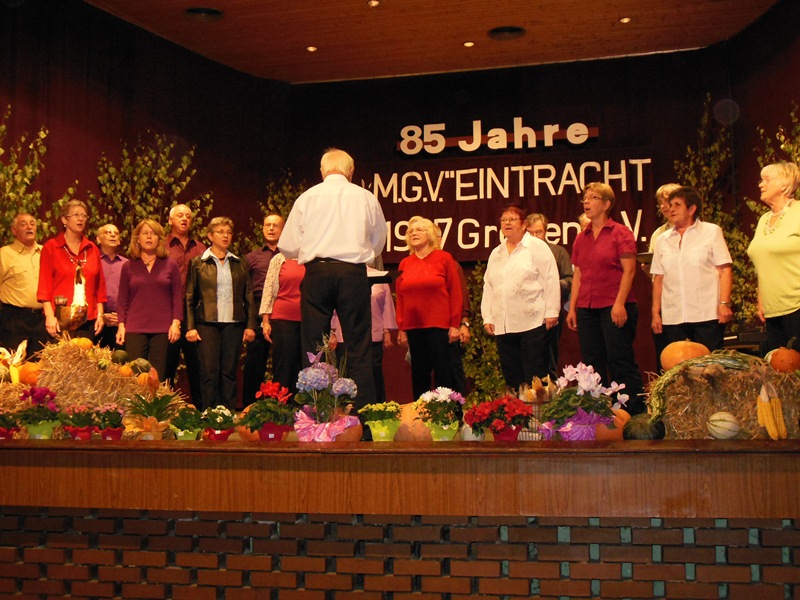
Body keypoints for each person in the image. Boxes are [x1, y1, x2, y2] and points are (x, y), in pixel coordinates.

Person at [279, 148, 387, 410]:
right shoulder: (365, 197)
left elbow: (288, 246)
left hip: (317, 273)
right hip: (353, 273)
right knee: (359, 347)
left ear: (322, 171)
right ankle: (364, 418)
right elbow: (378, 242)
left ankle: (315, 414)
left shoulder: (307, 197)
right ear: (351, 171)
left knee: (313, 349)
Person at [566, 183, 644, 414]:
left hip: (614, 305)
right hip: (587, 308)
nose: (586, 202)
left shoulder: (620, 232)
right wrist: (573, 307)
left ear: (607, 204)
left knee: (620, 360)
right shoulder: (581, 238)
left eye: (593, 197)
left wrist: (619, 303)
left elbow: (629, 270)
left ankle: (633, 413)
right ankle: (599, 412)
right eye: (585, 198)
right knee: (592, 364)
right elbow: (578, 274)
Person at [483, 207, 560, 389]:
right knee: (512, 376)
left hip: (533, 322)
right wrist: (488, 317)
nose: (507, 223)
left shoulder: (536, 246)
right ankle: (517, 407)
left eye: (512, 219)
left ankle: (539, 408)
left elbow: (551, 278)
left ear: (524, 224)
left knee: (535, 375)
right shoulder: (496, 252)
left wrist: (552, 311)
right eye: (504, 220)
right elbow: (489, 286)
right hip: (504, 324)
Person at [185, 217, 257, 410]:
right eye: (220, 232)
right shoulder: (198, 263)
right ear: (210, 236)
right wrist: (190, 327)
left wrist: (250, 325)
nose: (225, 236)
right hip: (206, 322)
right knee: (209, 371)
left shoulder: (239, 263)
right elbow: (189, 297)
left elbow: (249, 296)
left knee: (229, 371)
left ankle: (228, 413)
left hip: (234, 323)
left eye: (228, 232)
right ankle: (208, 412)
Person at [650, 187, 733, 353]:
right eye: (670, 205)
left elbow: (725, 270)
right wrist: (656, 314)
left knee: (708, 363)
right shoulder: (662, 239)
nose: (671, 209)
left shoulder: (711, 232)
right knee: (675, 364)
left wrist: (724, 303)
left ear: (692, 209)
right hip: (673, 316)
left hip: (706, 314)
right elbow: (659, 278)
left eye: (677, 205)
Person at [396, 216, 463, 401]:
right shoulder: (405, 263)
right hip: (414, 327)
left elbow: (455, 293)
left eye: (419, 230)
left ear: (431, 234)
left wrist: (455, 324)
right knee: (419, 374)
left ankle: (446, 413)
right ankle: (421, 414)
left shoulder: (444, 258)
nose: (414, 233)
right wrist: (401, 327)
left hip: (440, 327)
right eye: (411, 231)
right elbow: (400, 298)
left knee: (444, 373)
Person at [116, 220, 183, 380]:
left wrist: (176, 323)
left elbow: (177, 296)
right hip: (135, 327)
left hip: (163, 329)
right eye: (145, 233)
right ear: (137, 239)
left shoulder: (170, 265)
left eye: (153, 234)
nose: (149, 237)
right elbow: (122, 299)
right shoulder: (128, 266)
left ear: (159, 239)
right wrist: (121, 326)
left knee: (157, 377)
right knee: (135, 376)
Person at [747, 161, 800, 352]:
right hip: (773, 310)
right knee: (779, 367)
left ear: (784, 184)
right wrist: (761, 298)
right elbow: (765, 262)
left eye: (766, 180)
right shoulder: (764, 219)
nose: (761, 185)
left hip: (797, 305)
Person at [38, 200, 107, 341]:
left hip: (88, 320)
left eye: (83, 215)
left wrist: (100, 314)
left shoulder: (92, 248)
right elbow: (44, 286)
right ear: (64, 220)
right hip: (60, 319)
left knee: (85, 354)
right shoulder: (52, 247)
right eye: (75, 215)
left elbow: (100, 287)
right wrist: (50, 317)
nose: (80, 219)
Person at [164, 204, 206, 403]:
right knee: (166, 367)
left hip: (194, 315)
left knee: (198, 367)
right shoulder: (162, 247)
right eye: (179, 215)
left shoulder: (201, 249)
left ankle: (201, 411)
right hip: (167, 314)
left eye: (188, 216)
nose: (184, 219)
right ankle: (163, 410)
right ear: (170, 220)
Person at [242, 214, 284, 406]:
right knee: (254, 362)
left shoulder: (290, 256)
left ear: (283, 229)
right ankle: (250, 407)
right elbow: (245, 291)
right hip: (258, 309)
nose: (271, 228)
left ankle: (282, 407)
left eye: (275, 225)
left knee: (283, 361)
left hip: (283, 308)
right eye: (267, 225)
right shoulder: (252, 257)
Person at [525, 212, 573, 378]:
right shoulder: (519, 254)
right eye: (530, 233)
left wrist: (552, 285)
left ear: (545, 232)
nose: (535, 236)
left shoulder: (558, 252)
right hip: (525, 314)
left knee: (549, 359)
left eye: (538, 232)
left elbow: (570, 280)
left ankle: (549, 390)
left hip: (549, 312)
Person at [644, 183, 682, 366]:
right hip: (666, 301)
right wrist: (648, 269)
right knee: (667, 354)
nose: (664, 205)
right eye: (660, 202)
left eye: (667, 200)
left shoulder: (704, 231)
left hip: (693, 303)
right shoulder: (658, 234)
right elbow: (656, 274)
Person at [0, 213, 48, 354]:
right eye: (23, 224)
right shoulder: (4, 254)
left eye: (32, 224)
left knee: (39, 363)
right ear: (14, 230)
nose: (29, 227)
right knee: (13, 363)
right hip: (14, 320)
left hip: (42, 320)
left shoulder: (45, 252)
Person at [259, 252, 305, 394]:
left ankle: (304, 404)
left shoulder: (311, 257)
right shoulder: (278, 259)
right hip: (282, 318)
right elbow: (268, 290)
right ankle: (282, 403)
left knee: (306, 365)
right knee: (284, 365)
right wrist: (265, 321)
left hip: (308, 319)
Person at [97, 223, 128, 349]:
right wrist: (101, 315)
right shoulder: (92, 262)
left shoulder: (127, 264)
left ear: (119, 241)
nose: (113, 235)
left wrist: (122, 318)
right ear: (98, 239)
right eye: (108, 232)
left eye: (116, 233)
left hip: (120, 322)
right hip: (97, 322)